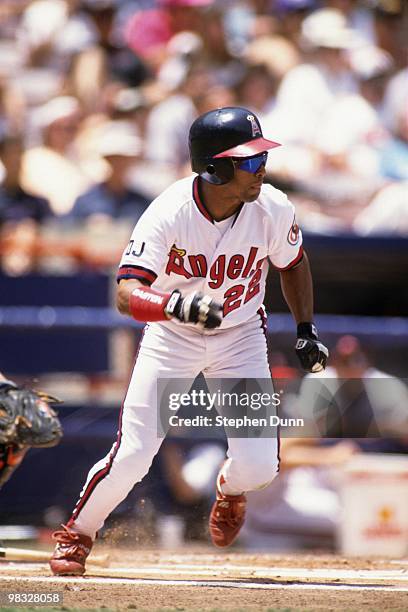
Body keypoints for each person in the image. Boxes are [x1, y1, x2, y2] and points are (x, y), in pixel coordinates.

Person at [49, 106, 328, 576]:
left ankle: (230, 488)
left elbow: (293, 263)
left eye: (261, 159)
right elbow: (125, 292)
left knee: (260, 467)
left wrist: (305, 329)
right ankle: (78, 532)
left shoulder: (273, 206)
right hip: (172, 338)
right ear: (215, 167)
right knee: (134, 452)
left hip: (239, 335)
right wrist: (175, 305)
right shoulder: (169, 211)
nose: (262, 170)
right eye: (250, 162)